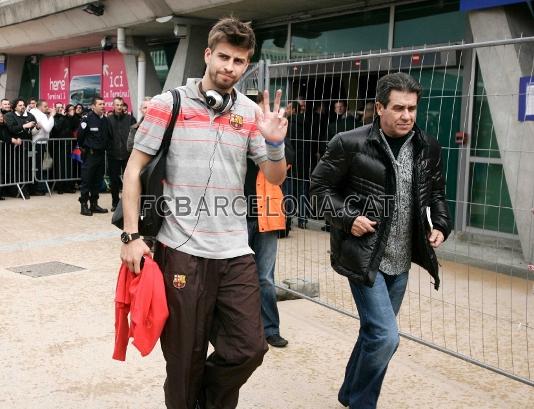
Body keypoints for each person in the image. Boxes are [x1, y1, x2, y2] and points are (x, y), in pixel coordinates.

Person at [120, 17, 288, 409]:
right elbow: (132, 171)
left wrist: (275, 144)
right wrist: (130, 237)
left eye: (240, 61)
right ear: (208, 54)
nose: (230, 67)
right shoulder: (168, 105)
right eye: (224, 57)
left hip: (234, 251)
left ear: (248, 65)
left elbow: (274, 178)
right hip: (180, 249)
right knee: (184, 359)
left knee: (250, 347)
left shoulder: (250, 114)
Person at [310, 72, 452, 409]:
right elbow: (318, 191)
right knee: (386, 338)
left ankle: (348, 392)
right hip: (364, 256)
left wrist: (442, 225)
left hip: (401, 261)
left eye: (412, 108)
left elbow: (436, 193)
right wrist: (348, 218)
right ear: (379, 108)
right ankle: (362, 402)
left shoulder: (426, 146)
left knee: (374, 334)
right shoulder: (350, 142)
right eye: (399, 108)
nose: (407, 116)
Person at [245, 92, 295, 348]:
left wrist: (270, 140)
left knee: (265, 277)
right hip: (234, 216)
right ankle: (241, 329)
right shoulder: (236, 133)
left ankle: (270, 329)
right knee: (236, 277)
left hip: (267, 213)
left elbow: (287, 163)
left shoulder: (272, 135)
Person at [77, 96, 111, 216]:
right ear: (93, 106)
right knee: (87, 180)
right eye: (100, 104)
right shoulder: (87, 119)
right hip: (90, 154)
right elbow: (80, 136)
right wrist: (84, 148)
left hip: (101, 154)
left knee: (97, 180)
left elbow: (107, 136)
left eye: (103, 104)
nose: (103, 106)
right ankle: (84, 205)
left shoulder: (105, 120)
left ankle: (94, 204)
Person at [107, 96, 136, 211]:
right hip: (113, 155)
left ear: (123, 105)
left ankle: (127, 203)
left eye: (121, 105)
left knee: (129, 181)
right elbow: (107, 136)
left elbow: (135, 135)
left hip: (127, 155)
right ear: (113, 106)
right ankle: (115, 203)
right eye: (117, 105)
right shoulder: (108, 119)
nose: (119, 107)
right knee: (114, 181)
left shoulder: (130, 119)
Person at [30, 99, 56, 195]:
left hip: (39, 143)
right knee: (37, 166)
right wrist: (52, 116)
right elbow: (48, 128)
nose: (47, 108)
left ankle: (38, 187)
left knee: (38, 166)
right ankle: (38, 188)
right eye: (45, 106)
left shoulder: (36, 113)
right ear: (39, 106)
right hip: (37, 143)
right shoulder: (40, 114)